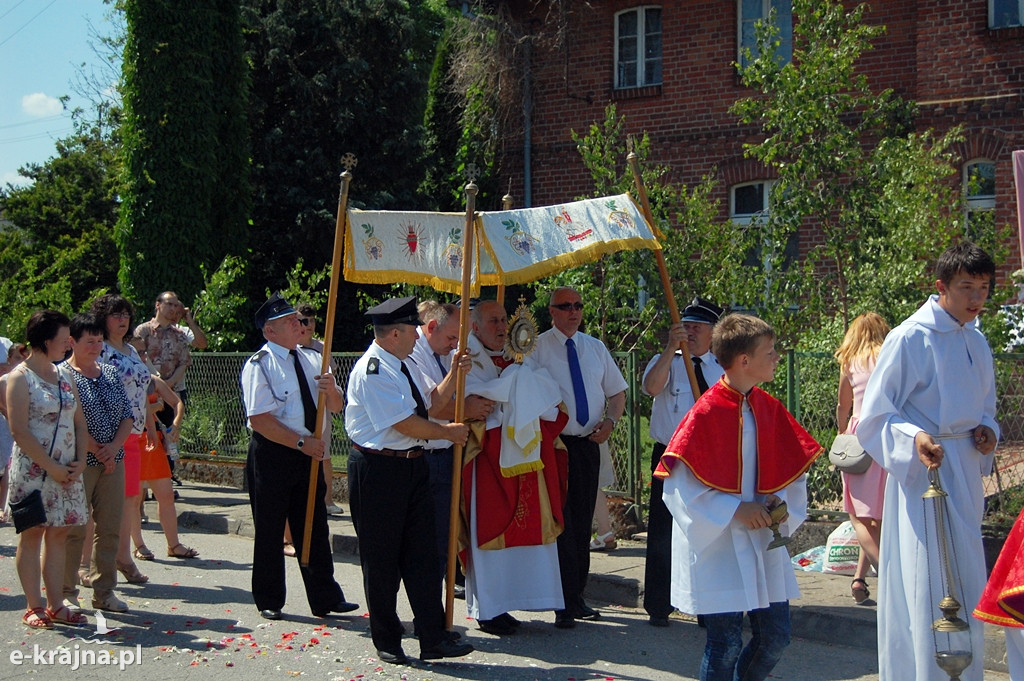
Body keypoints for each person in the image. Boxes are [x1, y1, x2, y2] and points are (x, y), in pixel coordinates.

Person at [858, 241, 999, 681]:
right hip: (925, 472)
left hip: (965, 468)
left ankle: (966, 672)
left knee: (968, 575)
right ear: (941, 287)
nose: (977, 299)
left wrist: (988, 431)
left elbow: (987, 407)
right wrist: (914, 437)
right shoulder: (908, 338)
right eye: (966, 288)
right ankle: (922, 673)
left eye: (984, 288)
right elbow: (876, 416)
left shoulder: (977, 339)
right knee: (928, 577)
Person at [655, 313, 821, 681]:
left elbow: (791, 471)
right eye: (771, 351)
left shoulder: (769, 407)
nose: (777, 357)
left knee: (775, 637)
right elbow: (679, 489)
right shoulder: (705, 413)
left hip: (763, 541)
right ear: (744, 360)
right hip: (720, 546)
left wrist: (782, 505)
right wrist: (733, 509)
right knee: (725, 643)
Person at [345, 295, 474, 664]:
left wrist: (454, 374)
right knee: (382, 560)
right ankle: (387, 639)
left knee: (423, 557)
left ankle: (433, 636)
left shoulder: (403, 364)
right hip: (379, 469)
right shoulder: (373, 369)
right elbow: (403, 422)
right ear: (395, 333)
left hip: (412, 464)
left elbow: (429, 402)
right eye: (412, 332)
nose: (419, 338)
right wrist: (448, 433)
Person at [241, 292, 357, 622]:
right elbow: (259, 420)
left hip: (308, 454)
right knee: (270, 527)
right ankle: (269, 597)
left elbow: (335, 406)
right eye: (290, 322)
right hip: (275, 453)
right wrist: (302, 444)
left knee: (314, 526)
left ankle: (325, 597)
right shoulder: (259, 365)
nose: (299, 325)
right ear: (269, 331)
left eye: (299, 320)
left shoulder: (310, 360)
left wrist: (332, 391)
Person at [460, 299, 568, 636]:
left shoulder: (518, 353)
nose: (502, 326)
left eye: (504, 319)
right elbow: (475, 402)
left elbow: (549, 395)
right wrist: (517, 389)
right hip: (488, 463)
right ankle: (489, 608)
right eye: (493, 320)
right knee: (489, 529)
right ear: (474, 326)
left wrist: (520, 383)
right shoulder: (468, 360)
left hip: (528, 460)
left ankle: (514, 601)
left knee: (532, 528)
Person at [525, 286, 627, 629]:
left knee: (582, 522)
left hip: (587, 444)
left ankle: (577, 596)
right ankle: (561, 601)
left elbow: (617, 391)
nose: (574, 311)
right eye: (565, 306)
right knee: (560, 522)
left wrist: (611, 421)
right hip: (555, 446)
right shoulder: (537, 348)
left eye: (578, 305)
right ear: (551, 311)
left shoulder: (594, 347)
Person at [642, 297, 725, 627]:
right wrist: (669, 350)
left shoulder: (722, 366)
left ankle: (707, 605)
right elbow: (650, 387)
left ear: (712, 332)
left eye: (696, 327)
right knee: (663, 531)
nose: (689, 332)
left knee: (707, 532)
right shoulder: (669, 362)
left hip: (709, 459)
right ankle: (659, 605)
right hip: (670, 455)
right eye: (685, 325)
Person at [6, 310, 89, 629]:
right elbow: (19, 431)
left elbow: (79, 423)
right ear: (46, 340)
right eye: (64, 337)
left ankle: (56, 604)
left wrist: (80, 461)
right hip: (34, 472)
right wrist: (52, 466)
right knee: (32, 535)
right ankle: (33, 606)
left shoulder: (66, 375)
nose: (69, 342)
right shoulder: (20, 376)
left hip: (67, 472)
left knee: (59, 535)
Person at [407, 299, 490, 596]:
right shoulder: (413, 352)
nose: (456, 344)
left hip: (449, 451)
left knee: (447, 536)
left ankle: (439, 607)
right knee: (430, 540)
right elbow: (430, 407)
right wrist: (465, 407)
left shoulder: (446, 350)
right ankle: (430, 614)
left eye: (459, 338)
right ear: (431, 327)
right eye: (452, 338)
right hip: (426, 455)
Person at [60, 313, 134, 614]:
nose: (96, 347)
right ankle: (65, 591)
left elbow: (127, 415)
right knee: (75, 527)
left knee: (110, 527)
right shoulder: (63, 375)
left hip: (112, 462)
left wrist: (113, 447)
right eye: (89, 341)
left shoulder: (110, 373)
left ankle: (105, 592)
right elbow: (67, 418)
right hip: (80, 461)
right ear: (72, 342)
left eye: (99, 341)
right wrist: (94, 448)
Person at [92, 293, 151, 585]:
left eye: (126, 314)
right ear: (103, 318)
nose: (122, 320)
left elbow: (142, 392)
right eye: (116, 315)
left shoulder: (130, 349)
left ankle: (122, 557)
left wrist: (151, 425)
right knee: (100, 501)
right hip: (108, 434)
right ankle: (88, 563)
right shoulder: (98, 349)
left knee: (130, 498)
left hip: (134, 433)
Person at [833, 312, 890, 604]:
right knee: (877, 517)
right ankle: (859, 579)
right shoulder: (889, 358)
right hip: (888, 437)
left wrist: (842, 432)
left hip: (859, 440)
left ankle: (888, 573)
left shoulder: (850, 361)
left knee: (857, 515)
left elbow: (844, 405)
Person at [134, 291, 207, 484]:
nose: (174, 308)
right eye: (170, 304)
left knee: (170, 434)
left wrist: (168, 385)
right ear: (158, 305)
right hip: (149, 392)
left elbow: (186, 359)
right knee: (149, 431)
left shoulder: (180, 333)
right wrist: (157, 384)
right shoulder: (144, 330)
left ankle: (167, 474)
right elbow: (138, 357)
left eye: (177, 305)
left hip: (173, 390)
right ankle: (144, 480)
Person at [137, 373, 197, 558]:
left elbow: (177, 403)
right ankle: (139, 546)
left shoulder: (152, 380)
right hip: (132, 439)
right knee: (134, 499)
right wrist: (155, 406)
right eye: (137, 352)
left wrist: (176, 425)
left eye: (143, 352)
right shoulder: (122, 375)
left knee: (166, 495)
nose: (141, 356)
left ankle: (174, 545)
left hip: (154, 438)